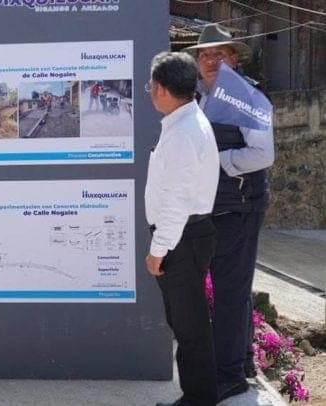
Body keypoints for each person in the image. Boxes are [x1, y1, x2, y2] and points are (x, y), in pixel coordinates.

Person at [184, 24, 275, 401]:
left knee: (230, 291)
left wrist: (216, 160)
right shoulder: (196, 96)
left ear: (234, 59)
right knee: (234, 287)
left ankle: (230, 375)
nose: (210, 60)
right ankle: (244, 361)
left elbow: (263, 155)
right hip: (212, 206)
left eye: (218, 54)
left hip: (240, 206)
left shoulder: (247, 97)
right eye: (204, 55)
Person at [144, 52, 220, 406]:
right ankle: (198, 395)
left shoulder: (184, 133)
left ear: (161, 88)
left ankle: (198, 399)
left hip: (182, 239)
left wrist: (158, 250)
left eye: (150, 85)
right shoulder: (185, 123)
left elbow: (177, 202)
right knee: (188, 324)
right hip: (186, 236)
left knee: (190, 328)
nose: (150, 91)